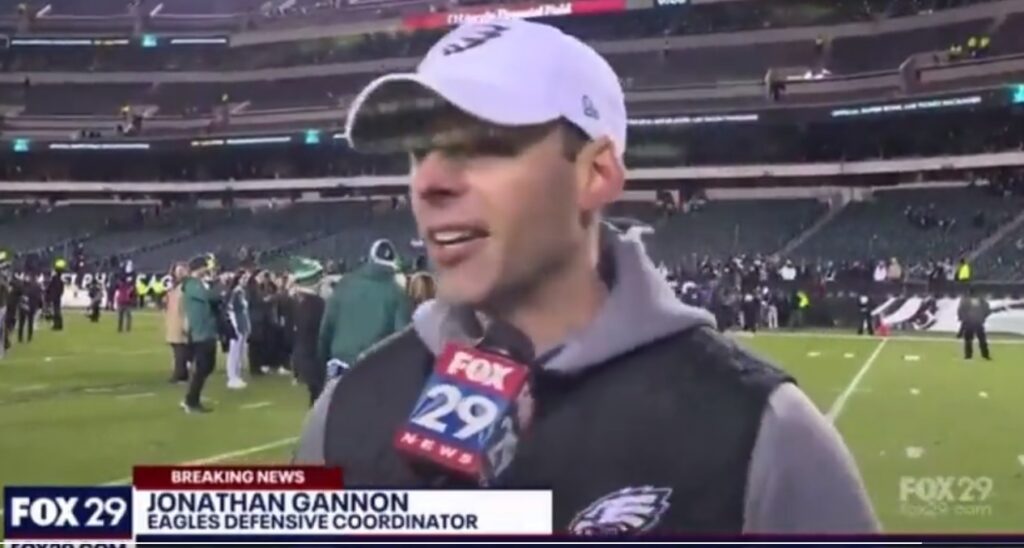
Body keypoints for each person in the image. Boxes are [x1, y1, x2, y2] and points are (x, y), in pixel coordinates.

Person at [294, 19, 877, 534]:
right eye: (418, 152)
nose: (429, 183)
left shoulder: (761, 435)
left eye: (481, 146)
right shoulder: (346, 412)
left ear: (596, 173)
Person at [316, 238, 412, 374]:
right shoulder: (397, 293)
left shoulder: (345, 284)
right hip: (375, 367)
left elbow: (326, 328)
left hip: (340, 363)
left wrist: (322, 361)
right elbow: (401, 338)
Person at [180, 254, 220, 413]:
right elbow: (209, 296)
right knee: (203, 367)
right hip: (200, 331)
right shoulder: (192, 284)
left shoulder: (198, 283)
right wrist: (215, 285)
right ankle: (191, 401)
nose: (207, 270)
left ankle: (192, 397)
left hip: (207, 330)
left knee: (209, 366)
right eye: (205, 267)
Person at [288, 257, 327, 405]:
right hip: (313, 357)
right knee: (318, 397)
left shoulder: (300, 303)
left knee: (315, 395)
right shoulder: (317, 304)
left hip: (302, 355)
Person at [165, 263, 190, 384]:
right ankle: (182, 373)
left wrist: (186, 323)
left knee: (180, 349)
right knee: (178, 349)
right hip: (174, 320)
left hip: (180, 320)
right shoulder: (174, 287)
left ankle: (180, 374)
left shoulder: (184, 287)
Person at [225, 271, 251, 389]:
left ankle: (237, 375)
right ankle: (232, 377)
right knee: (234, 352)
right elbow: (230, 310)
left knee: (240, 352)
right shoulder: (235, 292)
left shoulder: (242, 292)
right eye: (243, 278)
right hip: (237, 326)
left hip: (243, 325)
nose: (245, 280)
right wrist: (235, 326)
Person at [958, 288, 991, 361]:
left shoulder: (965, 300)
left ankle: (968, 355)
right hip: (978, 322)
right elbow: (987, 310)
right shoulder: (981, 300)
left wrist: (963, 319)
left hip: (969, 322)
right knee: (982, 339)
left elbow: (961, 310)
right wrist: (982, 317)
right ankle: (985, 355)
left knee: (968, 340)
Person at [17, 274, 41, 343]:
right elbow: (38, 297)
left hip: (24, 306)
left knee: (22, 322)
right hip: (30, 306)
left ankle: (21, 337)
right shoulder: (35, 286)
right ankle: (28, 337)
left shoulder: (21, 285)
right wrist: (38, 305)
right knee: (29, 322)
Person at [46, 265, 64, 331]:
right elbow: (61, 290)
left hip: (54, 297)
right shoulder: (61, 281)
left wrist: (49, 295)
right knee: (58, 311)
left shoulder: (54, 279)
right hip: (58, 297)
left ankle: (56, 325)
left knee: (55, 311)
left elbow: (50, 288)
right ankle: (59, 325)